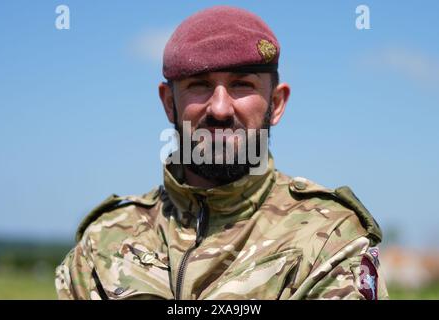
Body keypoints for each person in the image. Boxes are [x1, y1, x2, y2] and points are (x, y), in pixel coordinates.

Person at [55, 5, 388, 300]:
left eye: (242, 84)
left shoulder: (329, 239)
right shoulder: (102, 246)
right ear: (169, 103)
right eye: (198, 84)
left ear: (275, 104)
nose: (219, 108)